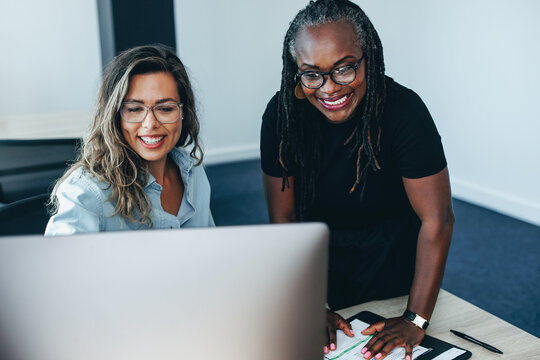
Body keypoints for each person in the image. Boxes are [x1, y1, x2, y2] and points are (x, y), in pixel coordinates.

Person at [260, 1, 453, 359]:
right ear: (295, 73)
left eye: (345, 69)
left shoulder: (404, 112)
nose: (329, 88)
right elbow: (283, 220)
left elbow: (437, 219)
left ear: (370, 58)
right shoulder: (282, 116)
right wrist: (310, 303)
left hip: (391, 264)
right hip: (318, 265)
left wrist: (415, 317)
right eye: (311, 73)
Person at [46, 45, 214, 235]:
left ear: (183, 113)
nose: (150, 124)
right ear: (116, 116)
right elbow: (61, 262)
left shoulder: (193, 171)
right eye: (134, 109)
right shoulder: (87, 192)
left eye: (165, 109)